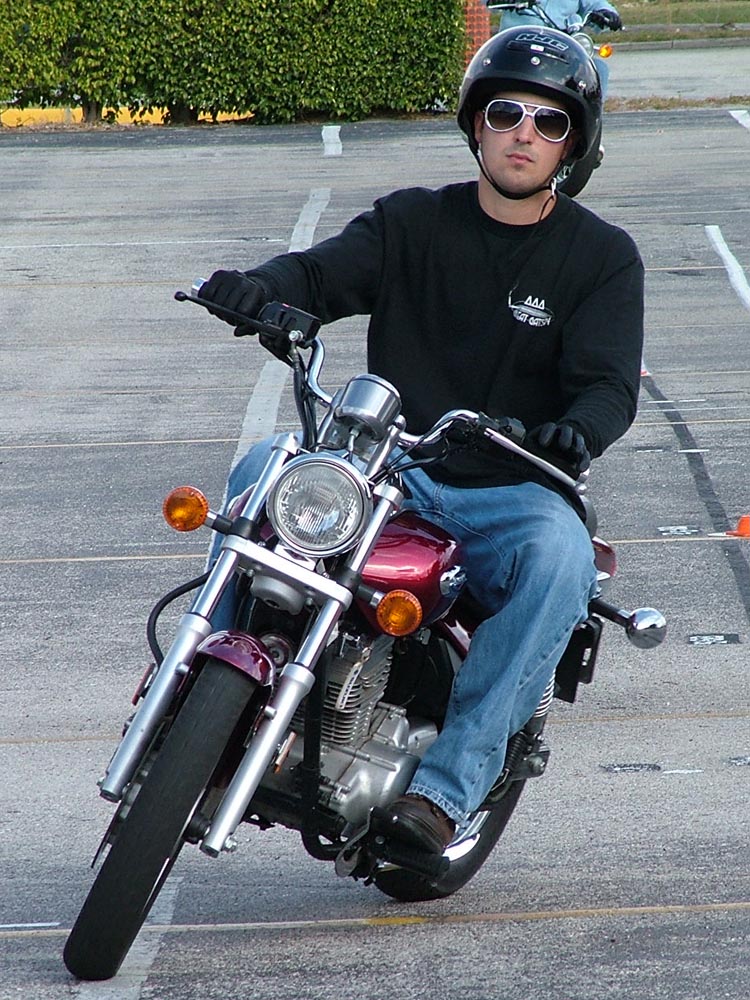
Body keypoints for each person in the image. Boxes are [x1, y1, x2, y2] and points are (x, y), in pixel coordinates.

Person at [198, 27, 644, 856]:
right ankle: (205, 690)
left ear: (573, 144)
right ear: (477, 123)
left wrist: (574, 432)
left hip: (513, 486)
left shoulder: (602, 258)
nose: (524, 134)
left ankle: (445, 792)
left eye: (549, 122)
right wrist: (259, 288)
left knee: (562, 560)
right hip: (391, 464)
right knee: (266, 468)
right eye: (506, 113)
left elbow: (610, 387)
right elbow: (319, 273)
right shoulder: (411, 221)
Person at [497, 0, 623, 97]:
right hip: (518, 42)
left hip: (562, 43)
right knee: (494, 64)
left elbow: (595, 3)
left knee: (598, 69)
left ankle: (590, 119)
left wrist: (607, 13)